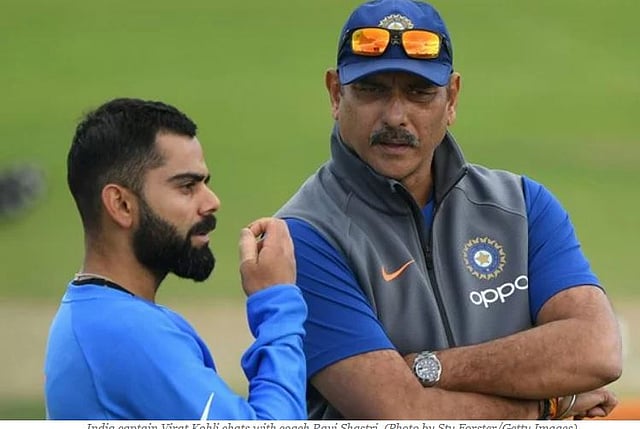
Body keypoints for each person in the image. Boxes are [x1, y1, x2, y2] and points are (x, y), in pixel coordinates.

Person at [276, 0, 622, 420]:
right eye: (372, 90)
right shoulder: (301, 239)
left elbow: (597, 349)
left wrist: (430, 367)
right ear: (336, 94)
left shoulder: (522, 206)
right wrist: (545, 407)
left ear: (452, 98)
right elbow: (399, 412)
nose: (396, 116)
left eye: (419, 92)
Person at [44, 98, 307, 420]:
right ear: (121, 205)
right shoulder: (126, 333)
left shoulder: (101, 315)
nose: (212, 202)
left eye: (205, 183)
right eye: (187, 186)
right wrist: (277, 304)